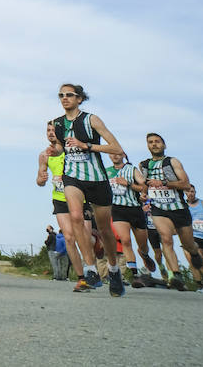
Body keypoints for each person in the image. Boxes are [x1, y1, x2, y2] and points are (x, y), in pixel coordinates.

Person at [49, 83, 126, 296]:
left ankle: (113, 269)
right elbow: (62, 149)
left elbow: (116, 148)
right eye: (61, 95)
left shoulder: (92, 120)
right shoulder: (57, 123)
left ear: (80, 99)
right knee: (75, 217)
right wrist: (54, 151)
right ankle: (90, 270)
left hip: (97, 178)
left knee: (104, 230)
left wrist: (87, 146)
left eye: (70, 95)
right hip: (72, 177)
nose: (65, 99)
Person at [141, 132, 203, 292]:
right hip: (159, 208)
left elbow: (185, 184)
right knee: (166, 239)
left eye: (157, 142)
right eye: (150, 142)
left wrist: (162, 183)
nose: (154, 144)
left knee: (189, 245)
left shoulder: (172, 162)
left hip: (178, 208)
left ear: (164, 145)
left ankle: (195, 254)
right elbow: (145, 185)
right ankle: (176, 275)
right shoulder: (144, 165)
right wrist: (143, 194)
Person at [37, 123, 86, 280]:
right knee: (69, 237)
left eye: (54, 130)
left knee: (84, 237)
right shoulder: (44, 155)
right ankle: (81, 277)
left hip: (80, 198)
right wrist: (42, 179)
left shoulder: (71, 150)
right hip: (59, 199)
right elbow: (39, 180)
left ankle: (92, 266)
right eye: (48, 131)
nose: (51, 133)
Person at [106, 148, 148, 286]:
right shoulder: (107, 171)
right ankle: (135, 275)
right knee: (125, 241)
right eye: (112, 153)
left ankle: (145, 255)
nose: (115, 156)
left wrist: (128, 184)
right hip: (117, 209)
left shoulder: (132, 169)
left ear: (123, 155)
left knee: (142, 245)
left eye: (118, 153)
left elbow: (144, 187)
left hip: (135, 209)